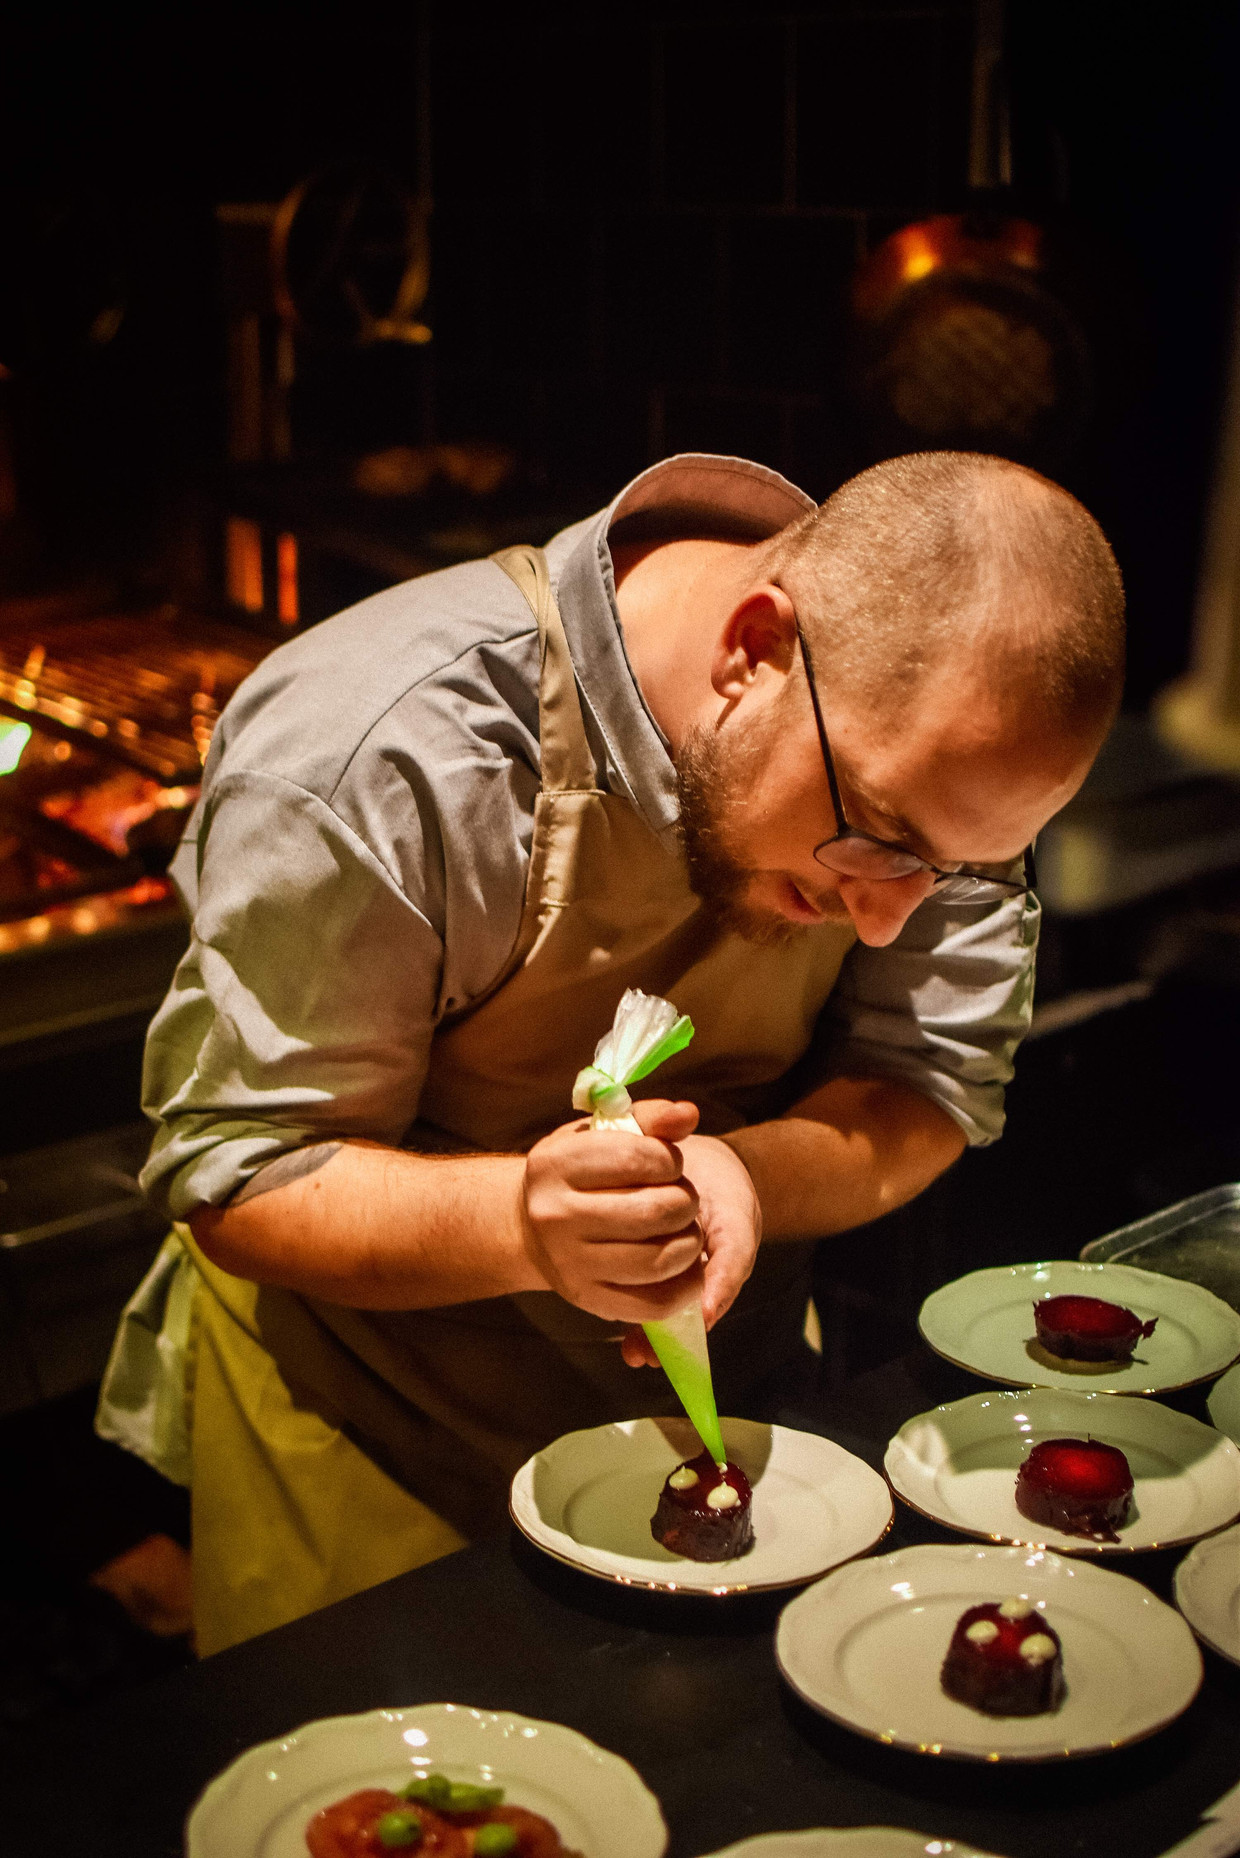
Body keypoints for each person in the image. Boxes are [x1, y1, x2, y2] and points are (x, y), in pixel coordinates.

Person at [98, 450, 1124, 1654]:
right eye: (883, 839)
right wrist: (527, 1227)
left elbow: (931, 1083)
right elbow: (238, 1171)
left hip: (723, 1427)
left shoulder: (923, 744)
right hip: (376, 1432)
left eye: (957, 869)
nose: (895, 916)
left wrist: (746, 1175)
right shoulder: (381, 748)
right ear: (751, 648)